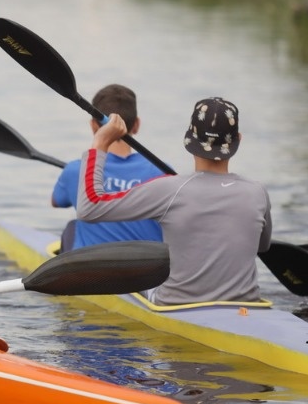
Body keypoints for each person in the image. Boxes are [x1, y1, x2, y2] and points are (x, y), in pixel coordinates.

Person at [75, 97, 272, 306]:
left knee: (137, 280)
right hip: (247, 306)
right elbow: (262, 246)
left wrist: (100, 143)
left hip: (176, 305)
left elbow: (89, 207)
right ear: (237, 140)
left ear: (188, 139)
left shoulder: (169, 189)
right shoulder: (257, 192)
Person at [50, 83, 165, 252]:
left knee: (72, 227)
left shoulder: (75, 170)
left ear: (93, 126)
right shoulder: (163, 173)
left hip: (93, 266)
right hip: (150, 265)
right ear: (136, 125)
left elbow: (56, 201)